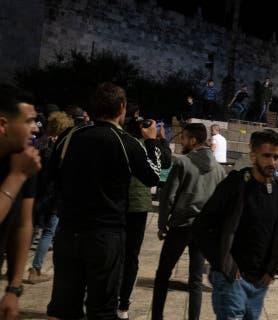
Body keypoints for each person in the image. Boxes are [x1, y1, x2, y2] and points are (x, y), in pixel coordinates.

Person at [46, 83, 165, 320]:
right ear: (122, 108)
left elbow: (51, 176)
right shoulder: (125, 142)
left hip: (69, 231)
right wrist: (152, 142)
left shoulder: (69, 137)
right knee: (101, 309)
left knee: (62, 306)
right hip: (104, 236)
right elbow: (154, 175)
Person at [194, 129, 278, 319]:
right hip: (231, 281)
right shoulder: (235, 185)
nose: (272, 162)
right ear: (253, 155)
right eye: (267, 156)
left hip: (260, 283)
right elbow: (201, 227)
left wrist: (273, 268)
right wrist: (224, 263)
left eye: (276, 156)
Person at [152, 123, 226, 320]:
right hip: (203, 230)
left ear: (193, 140)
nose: (181, 141)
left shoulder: (182, 163)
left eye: (183, 138)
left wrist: (162, 224)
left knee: (163, 275)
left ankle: (156, 316)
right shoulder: (219, 171)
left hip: (181, 226)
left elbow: (168, 196)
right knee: (195, 280)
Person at [118, 104, 172, 319]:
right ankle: (122, 305)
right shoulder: (145, 147)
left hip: (120, 204)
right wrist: (158, 140)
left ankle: (109, 297)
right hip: (137, 205)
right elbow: (164, 164)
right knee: (131, 256)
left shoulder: (124, 142)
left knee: (117, 254)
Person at [0, 85, 41, 319]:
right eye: (27, 121)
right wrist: (16, 178)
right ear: (4, 125)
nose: (34, 129)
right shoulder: (19, 170)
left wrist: (14, 287)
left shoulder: (22, 161)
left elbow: (23, 224)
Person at [26, 111, 74, 284]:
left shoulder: (40, 143)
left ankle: (15, 268)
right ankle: (35, 269)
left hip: (35, 193)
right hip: (51, 196)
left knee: (31, 230)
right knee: (48, 232)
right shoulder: (59, 148)